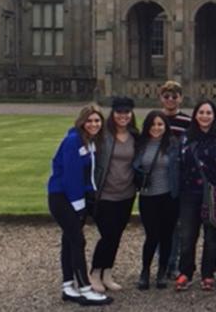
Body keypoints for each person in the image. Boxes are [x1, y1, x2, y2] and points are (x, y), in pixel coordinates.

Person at [47, 104, 112, 306]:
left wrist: (89, 194)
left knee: (69, 240)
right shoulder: (73, 141)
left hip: (71, 197)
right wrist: (79, 206)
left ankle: (68, 286)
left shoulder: (89, 141)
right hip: (62, 197)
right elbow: (71, 176)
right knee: (77, 240)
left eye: (97, 120)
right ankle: (85, 289)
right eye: (90, 120)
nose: (94, 124)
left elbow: (88, 174)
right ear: (82, 122)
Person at [175, 100, 216, 291]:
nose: (205, 116)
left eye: (209, 113)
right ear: (195, 115)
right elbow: (180, 165)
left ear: (214, 116)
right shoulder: (186, 137)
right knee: (187, 235)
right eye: (201, 112)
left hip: (215, 192)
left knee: (212, 236)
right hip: (190, 192)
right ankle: (185, 272)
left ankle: (208, 274)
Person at [88, 97, 138, 294]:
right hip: (106, 194)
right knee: (108, 235)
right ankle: (94, 272)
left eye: (126, 112)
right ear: (113, 114)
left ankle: (107, 272)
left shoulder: (135, 136)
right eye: (119, 112)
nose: (123, 116)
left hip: (127, 194)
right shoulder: (103, 135)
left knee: (116, 235)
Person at [133, 110, 182, 290]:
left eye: (160, 124)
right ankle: (145, 271)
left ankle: (162, 272)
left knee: (167, 236)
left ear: (165, 127)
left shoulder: (173, 144)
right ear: (147, 126)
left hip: (169, 196)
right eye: (153, 124)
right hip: (148, 196)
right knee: (152, 236)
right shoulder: (140, 144)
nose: (156, 128)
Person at [158, 80, 191, 279]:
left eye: (174, 96)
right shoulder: (155, 120)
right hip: (158, 181)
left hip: (179, 180)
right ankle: (162, 262)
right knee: (158, 225)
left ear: (181, 98)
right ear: (161, 98)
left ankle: (172, 264)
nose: (170, 100)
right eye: (167, 96)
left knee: (177, 226)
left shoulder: (187, 122)